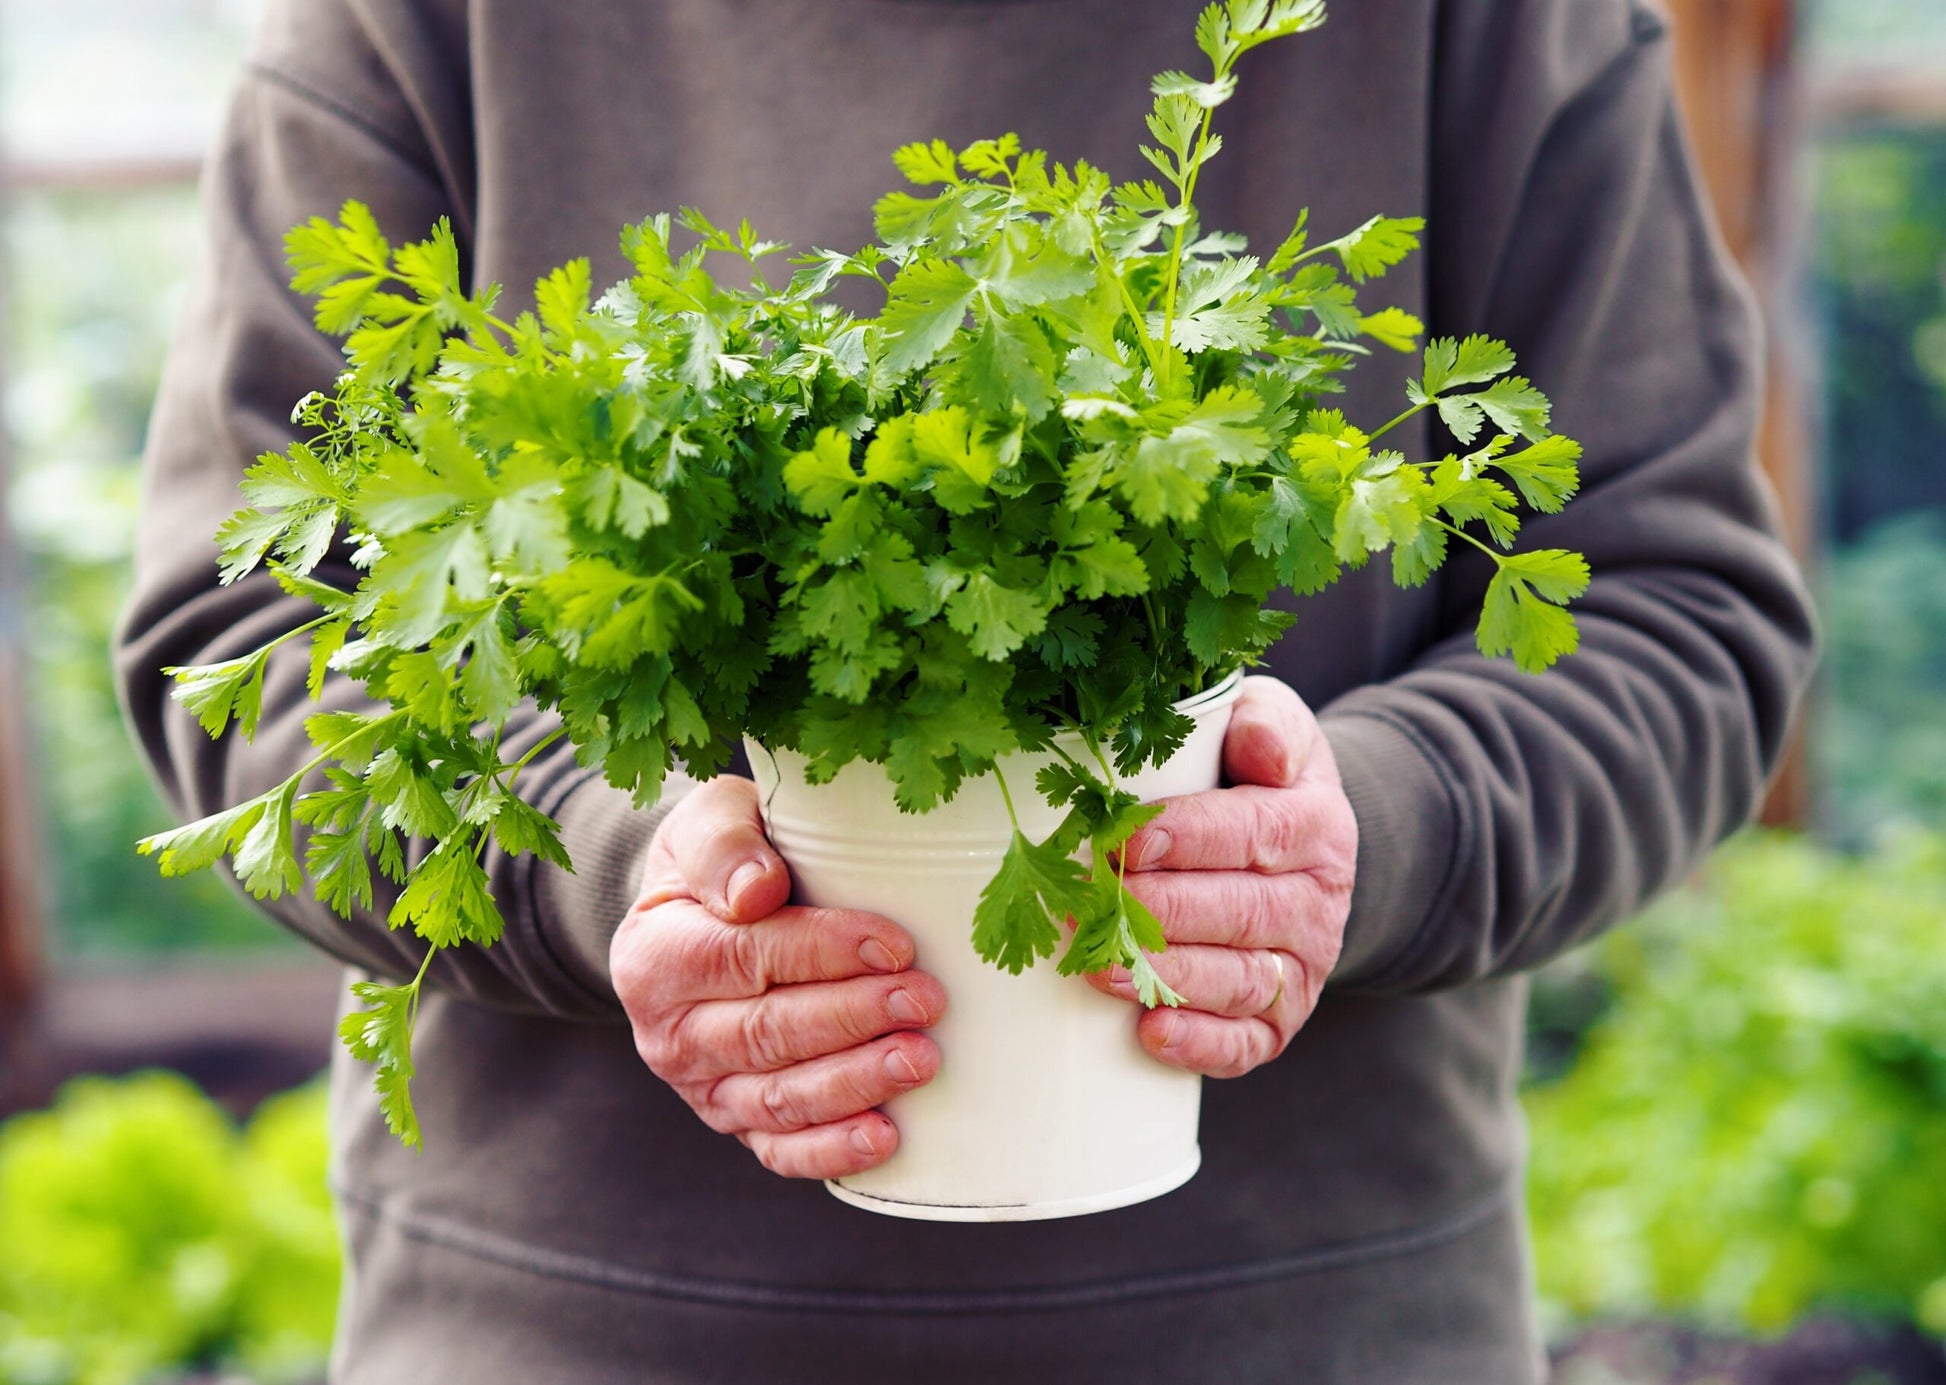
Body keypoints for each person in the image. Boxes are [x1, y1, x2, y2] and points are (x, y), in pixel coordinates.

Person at [117, 0, 1817, 1379]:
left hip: (1309, 1325)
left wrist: (1372, 830)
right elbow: (248, 637)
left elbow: (1680, 616)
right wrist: (609, 863)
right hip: (572, 1328)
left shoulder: (1493, 24)